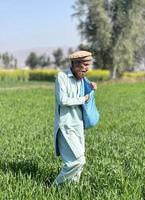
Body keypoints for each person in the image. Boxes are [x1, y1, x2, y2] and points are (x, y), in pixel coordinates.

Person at [53, 50, 97, 185]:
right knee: (78, 161)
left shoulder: (83, 80)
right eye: (84, 65)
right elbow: (63, 100)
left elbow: (87, 99)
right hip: (65, 126)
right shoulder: (62, 77)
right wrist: (83, 98)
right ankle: (54, 188)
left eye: (88, 65)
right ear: (75, 64)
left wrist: (91, 90)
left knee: (78, 162)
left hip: (78, 125)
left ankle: (71, 189)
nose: (86, 69)